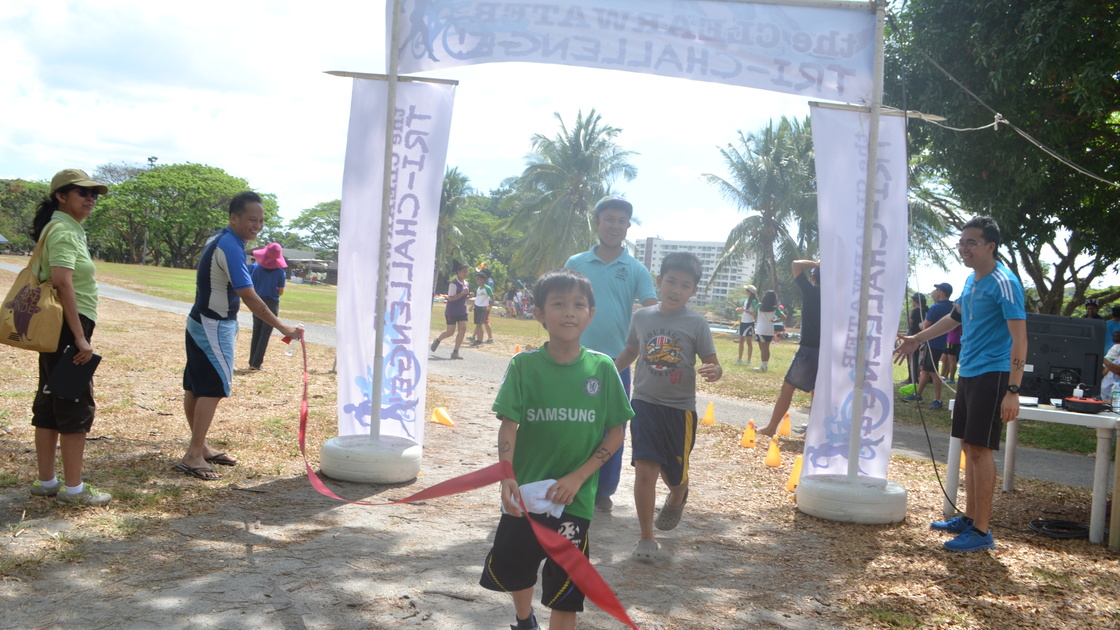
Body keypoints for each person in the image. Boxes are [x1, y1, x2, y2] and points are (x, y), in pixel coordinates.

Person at [479, 268, 631, 630]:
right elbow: (509, 425)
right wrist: (507, 478)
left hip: (574, 499)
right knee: (518, 569)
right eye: (558, 303)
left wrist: (578, 478)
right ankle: (523, 619)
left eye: (579, 304)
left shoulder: (603, 369)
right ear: (539, 313)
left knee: (567, 590)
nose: (569, 312)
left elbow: (615, 434)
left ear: (591, 314)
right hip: (526, 495)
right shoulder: (524, 366)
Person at [894, 216, 1026, 552]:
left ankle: (982, 532)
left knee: (981, 449)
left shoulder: (1004, 282)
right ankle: (969, 519)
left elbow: (1020, 338)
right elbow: (955, 318)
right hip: (969, 371)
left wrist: (1013, 390)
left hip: (993, 374)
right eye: (961, 242)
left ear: (990, 246)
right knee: (969, 445)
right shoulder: (971, 281)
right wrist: (916, 339)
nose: (963, 248)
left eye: (971, 242)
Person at [178, 192, 302, 481]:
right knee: (212, 388)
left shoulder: (219, 239)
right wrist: (283, 328)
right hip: (213, 325)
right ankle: (194, 454)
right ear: (234, 218)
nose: (257, 225)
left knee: (196, 386)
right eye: (251, 219)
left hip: (200, 320)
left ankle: (200, 446)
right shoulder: (231, 246)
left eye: (260, 220)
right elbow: (248, 295)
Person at [614, 253, 721, 562]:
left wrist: (715, 371)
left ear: (693, 291)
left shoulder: (697, 323)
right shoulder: (642, 316)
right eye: (671, 281)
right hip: (644, 404)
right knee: (646, 469)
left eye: (685, 285)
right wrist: (609, 370)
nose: (676, 289)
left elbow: (711, 362)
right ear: (659, 281)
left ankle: (677, 494)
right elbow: (632, 350)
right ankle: (647, 537)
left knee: (674, 474)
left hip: (679, 411)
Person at [564, 195, 658, 513]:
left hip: (617, 363)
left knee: (612, 428)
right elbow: (558, 301)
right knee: (571, 421)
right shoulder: (576, 263)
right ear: (598, 221)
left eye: (621, 221)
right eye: (609, 219)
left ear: (628, 226)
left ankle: (603, 491)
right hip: (572, 359)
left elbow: (652, 312)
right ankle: (568, 480)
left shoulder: (635, 269)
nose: (615, 226)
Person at [27, 169, 112, 506]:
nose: (91, 199)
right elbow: (62, 282)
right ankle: (74, 489)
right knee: (74, 402)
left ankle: (46, 481)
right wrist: (80, 337)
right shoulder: (63, 230)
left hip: (60, 327)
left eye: (94, 194)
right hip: (67, 326)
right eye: (82, 193)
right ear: (61, 196)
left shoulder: (63, 228)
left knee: (50, 400)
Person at [759, 261, 821, 437]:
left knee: (788, 387)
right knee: (817, 392)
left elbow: (795, 264)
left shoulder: (811, 291)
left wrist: (817, 263)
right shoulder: (836, 296)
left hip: (809, 349)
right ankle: (812, 432)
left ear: (813, 277)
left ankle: (772, 427)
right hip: (826, 351)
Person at [902, 283, 954, 410]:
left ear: (941, 293)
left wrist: (919, 324)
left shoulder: (936, 307)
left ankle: (938, 399)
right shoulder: (952, 306)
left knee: (932, 371)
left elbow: (925, 326)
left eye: (937, 289)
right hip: (940, 342)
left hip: (932, 343)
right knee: (925, 370)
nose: (935, 291)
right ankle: (918, 394)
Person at [247, 242, 287, 371]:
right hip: (271, 303)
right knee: (265, 333)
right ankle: (257, 363)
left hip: (257, 301)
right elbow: (280, 292)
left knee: (256, 331)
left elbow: (251, 285)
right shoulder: (280, 272)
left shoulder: (256, 268)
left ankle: (252, 361)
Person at [430, 262, 471, 359]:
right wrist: (462, 293)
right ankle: (438, 340)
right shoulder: (453, 284)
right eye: (464, 272)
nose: (466, 274)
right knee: (450, 332)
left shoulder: (466, 284)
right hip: (452, 311)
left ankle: (455, 351)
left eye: (467, 272)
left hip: (462, 310)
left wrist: (468, 295)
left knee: (463, 329)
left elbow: (463, 297)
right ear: (458, 272)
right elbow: (451, 298)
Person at [753, 290, 784, 373]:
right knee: (767, 348)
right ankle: (765, 365)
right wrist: (775, 321)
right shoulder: (775, 308)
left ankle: (763, 366)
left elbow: (754, 316)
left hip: (761, 330)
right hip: (770, 330)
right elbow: (784, 317)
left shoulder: (759, 305)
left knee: (763, 349)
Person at [903, 293, 928, 385]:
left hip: (913, 337)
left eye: (913, 300)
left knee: (912, 359)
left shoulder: (916, 310)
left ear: (916, 301)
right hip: (922, 337)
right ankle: (915, 377)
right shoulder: (926, 310)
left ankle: (912, 379)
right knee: (918, 359)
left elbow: (910, 323)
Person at [736, 284, 759, 366]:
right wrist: (741, 310)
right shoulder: (746, 300)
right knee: (741, 341)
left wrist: (745, 311)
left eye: (746, 290)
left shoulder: (753, 301)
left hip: (749, 323)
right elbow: (745, 310)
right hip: (743, 322)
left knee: (749, 342)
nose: (745, 291)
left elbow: (755, 314)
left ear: (749, 292)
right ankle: (739, 358)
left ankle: (749, 360)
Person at [470, 271, 494, 345]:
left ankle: (479, 340)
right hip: (477, 307)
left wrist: (489, 306)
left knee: (480, 325)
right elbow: (477, 298)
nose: (477, 280)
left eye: (479, 279)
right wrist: (472, 306)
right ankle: (477, 339)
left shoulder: (487, 288)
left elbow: (492, 298)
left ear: (483, 280)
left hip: (483, 308)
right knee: (477, 324)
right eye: (477, 279)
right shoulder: (478, 288)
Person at [1101, 330, 1120, 400]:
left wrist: (1101, 357)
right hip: (1107, 392)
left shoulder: (1117, 348)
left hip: (1114, 395)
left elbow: (1118, 370)